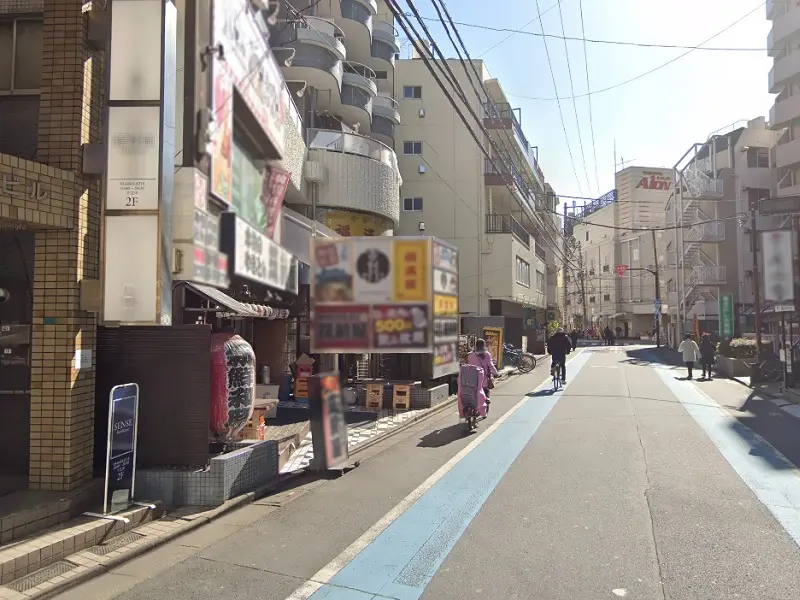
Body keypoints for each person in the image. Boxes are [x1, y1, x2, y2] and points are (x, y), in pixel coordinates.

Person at [467, 338, 499, 406]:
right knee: (485, 389)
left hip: (471, 377)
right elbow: (491, 365)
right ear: (483, 345)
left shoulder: (470, 354)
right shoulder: (486, 354)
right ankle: (486, 398)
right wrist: (495, 373)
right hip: (483, 377)